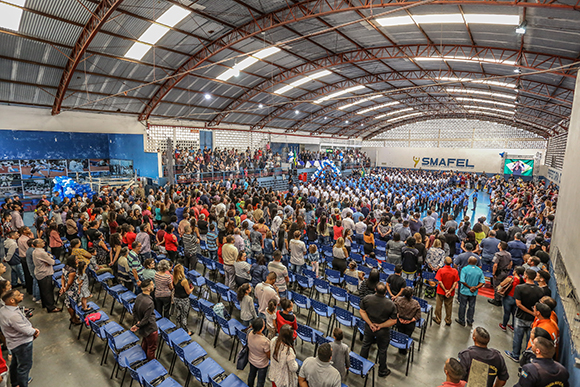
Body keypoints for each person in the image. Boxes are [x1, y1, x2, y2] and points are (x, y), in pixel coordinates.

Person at [505, 269, 545, 362]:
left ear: (525, 276)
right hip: (533, 319)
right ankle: (527, 357)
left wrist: (530, 312)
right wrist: (533, 313)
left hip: (520, 316)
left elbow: (518, 304)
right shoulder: (540, 290)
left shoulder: (519, 288)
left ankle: (515, 355)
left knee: (517, 337)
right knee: (530, 339)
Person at [0, 290, 38, 387]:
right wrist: (35, 331)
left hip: (13, 343)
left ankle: (15, 383)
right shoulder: (13, 316)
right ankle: (22, 384)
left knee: (15, 364)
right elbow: (25, 330)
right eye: (18, 295)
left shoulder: (4, 310)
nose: (22, 294)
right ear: (12, 300)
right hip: (22, 344)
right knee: (24, 368)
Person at [359, 283, 398, 377]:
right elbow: (394, 320)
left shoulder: (367, 298)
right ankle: (382, 370)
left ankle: (361, 365)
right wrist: (380, 325)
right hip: (383, 331)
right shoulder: (390, 304)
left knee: (366, 345)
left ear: (375, 289)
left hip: (369, 328)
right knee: (382, 350)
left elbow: (362, 311)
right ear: (385, 291)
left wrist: (370, 324)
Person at [130, 279, 158, 360]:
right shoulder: (150, 302)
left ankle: (144, 358)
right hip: (150, 328)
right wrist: (138, 324)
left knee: (145, 342)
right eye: (152, 284)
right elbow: (146, 319)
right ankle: (151, 364)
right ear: (148, 289)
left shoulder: (138, 296)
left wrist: (138, 321)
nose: (153, 285)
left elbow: (134, 311)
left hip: (143, 327)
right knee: (151, 348)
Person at [31, 239, 61, 313]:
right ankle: (51, 307)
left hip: (40, 272)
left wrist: (48, 258)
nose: (44, 242)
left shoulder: (37, 251)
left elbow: (49, 256)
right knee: (47, 291)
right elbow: (52, 262)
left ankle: (45, 304)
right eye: (41, 242)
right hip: (45, 273)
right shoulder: (41, 253)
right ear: (37, 245)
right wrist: (49, 260)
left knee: (43, 290)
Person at [455, 256, 485, 327]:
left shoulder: (464, 269)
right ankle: (470, 320)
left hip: (464, 291)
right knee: (472, 306)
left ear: (468, 262)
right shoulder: (479, 270)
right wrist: (475, 288)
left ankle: (461, 320)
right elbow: (482, 282)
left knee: (462, 306)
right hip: (473, 292)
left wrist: (469, 287)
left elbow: (462, 280)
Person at [393, 287, 421, 353]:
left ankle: (400, 348)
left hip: (399, 322)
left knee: (400, 333)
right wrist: (410, 320)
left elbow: (394, 310)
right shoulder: (415, 303)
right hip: (410, 324)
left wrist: (399, 317)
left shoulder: (398, 300)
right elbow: (418, 315)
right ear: (412, 295)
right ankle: (404, 349)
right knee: (407, 336)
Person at [434, 257, 459, 326]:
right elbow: (455, 283)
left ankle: (438, 319)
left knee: (438, 306)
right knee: (449, 306)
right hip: (450, 293)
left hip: (440, 291)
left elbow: (440, 281)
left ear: (444, 262)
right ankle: (448, 320)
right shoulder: (455, 271)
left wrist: (445, 290)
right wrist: (449, 291)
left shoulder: (441, 270)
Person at [499, 266, 525, 331]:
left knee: (507, 313)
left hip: (508, 297)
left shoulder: (511, 278)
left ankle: (504, 325)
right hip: (517, 299)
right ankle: (513, 326)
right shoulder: (523, 281)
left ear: (515, 271)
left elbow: (502, 284)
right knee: (514, 313)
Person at [247, 318, 270, 387]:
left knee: (251, 375)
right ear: (262, 328)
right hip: (262, 364)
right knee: (260, 381)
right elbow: (268, 355)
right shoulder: (265, 341)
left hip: (251, 360)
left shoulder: (249, 333)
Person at [489, 241, 512, 306]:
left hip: (499, 272)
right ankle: (501, 299)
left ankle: (496, 300)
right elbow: (510, 263)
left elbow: (495, 265)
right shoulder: (509, 254)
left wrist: (494, 273)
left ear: (500, 246)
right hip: (506, 272)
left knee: (496, 286)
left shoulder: (498, 254)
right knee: (503, 285)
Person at [173, 264, 193, 335]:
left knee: (178, 314)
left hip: (176, 298)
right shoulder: (184, 280)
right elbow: (188, 292)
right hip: (184, 300)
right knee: (184, 316)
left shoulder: (174, 278)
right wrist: (192, 288)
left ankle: (178, 327)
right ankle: (186, 331)